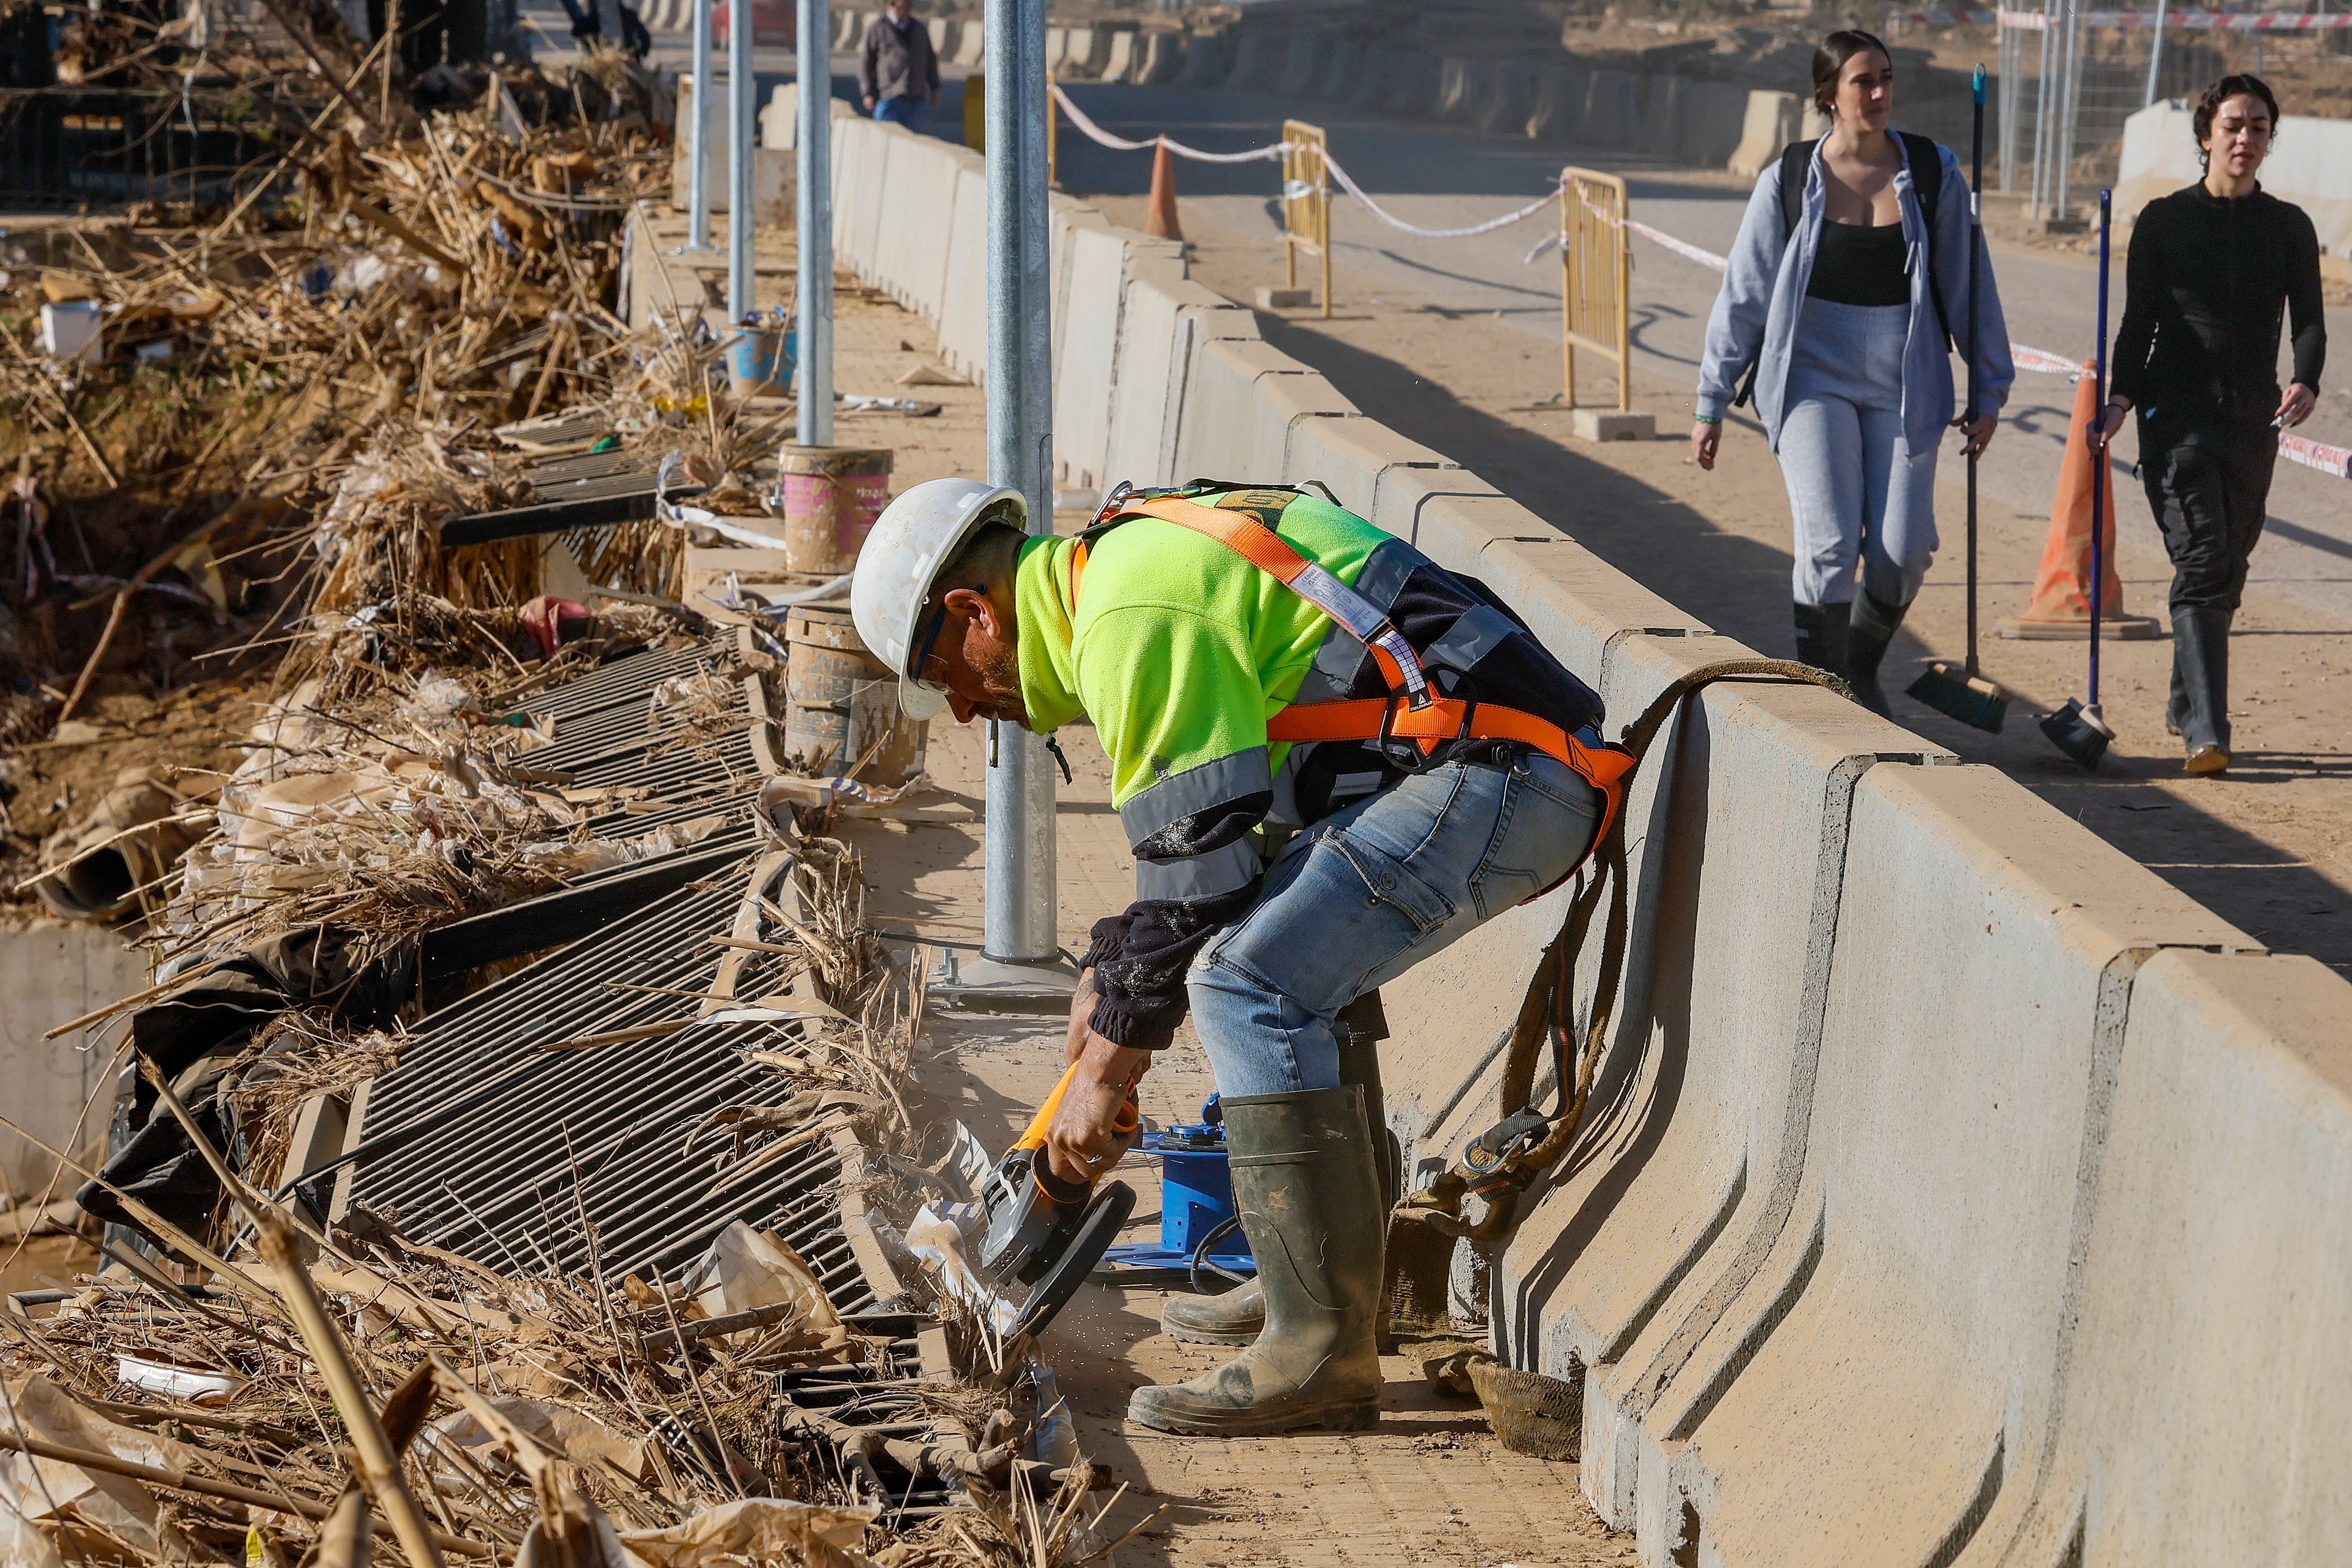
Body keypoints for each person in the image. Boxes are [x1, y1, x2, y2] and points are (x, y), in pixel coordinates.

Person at [850, 478, 1631, 1436]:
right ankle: (1335, 1283)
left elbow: (1196, 875)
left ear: (974, 613)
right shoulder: (1126, 570)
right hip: (1497, 763)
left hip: (1508, 772)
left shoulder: (1126, 614)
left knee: (1249, 979)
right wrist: (1108, 981)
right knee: (1277, 946)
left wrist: (1105, 1068)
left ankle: (1319, 1350)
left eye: (941, 679)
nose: (966, 713)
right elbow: (1216, 849)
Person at [1692, 30, 2014, 715]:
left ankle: (1858, 672)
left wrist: (1989, 390)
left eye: (1884, 80)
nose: (1877, 94)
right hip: (1811, 375)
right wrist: (1710, 400)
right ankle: (1825, 698)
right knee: (1830, 543)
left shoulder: (1930, 172)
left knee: (1901, 551)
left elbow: (1969, 288)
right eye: (1861, 81)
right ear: (1827, 95)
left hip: (1907, 378)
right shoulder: (1787, 177)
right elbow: (1743, 293)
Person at [2094, 74, 2324, 776]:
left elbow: (2309, 319)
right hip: (2175, 415)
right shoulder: (2163, 220)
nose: (2244, 138)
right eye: (2232, 126)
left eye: (2257, 127)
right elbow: (2137, 325)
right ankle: (2208, 730)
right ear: (2204, 136)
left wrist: (2304, 378)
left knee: (2225, 568)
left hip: (2251, 417)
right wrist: (2118, 401)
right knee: (2200, 560)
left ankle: (2182, 698)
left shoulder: (2287, 226)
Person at [860, 0, 940, 131]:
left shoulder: (919, 29)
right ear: (892, 3)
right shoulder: (878, 28)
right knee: (886, 137)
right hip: (888, 97)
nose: (910, 5)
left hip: (915, 98)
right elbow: (866, 63)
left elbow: (930, 60)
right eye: (906, 2)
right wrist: (868, 93)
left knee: (913, 141)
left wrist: (935, 87)